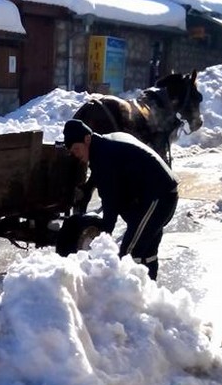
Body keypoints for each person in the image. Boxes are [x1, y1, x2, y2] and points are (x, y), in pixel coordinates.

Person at [62, 118, 178, 280]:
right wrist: (87, 188)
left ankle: (128, 298)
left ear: (87, 139)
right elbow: (103, 176)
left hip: (158, 196)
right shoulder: (104, 145)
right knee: (147, 252)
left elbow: (111, 202)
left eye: (77, 149)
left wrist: (103, 239)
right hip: (157, 193)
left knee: (128, 255)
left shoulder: (103, 156)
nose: (76, 155)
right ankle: (147, 297)